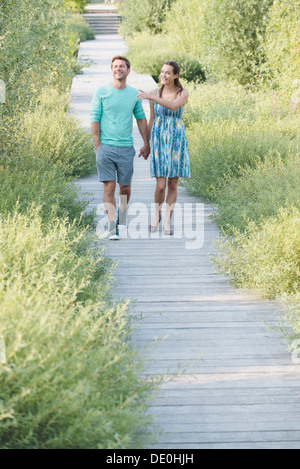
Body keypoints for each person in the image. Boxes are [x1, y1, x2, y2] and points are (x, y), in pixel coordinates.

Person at [91, 56, 150, 240]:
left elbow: (141, 119)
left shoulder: (134, 94)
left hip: (126, 148)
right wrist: (98, 145)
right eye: (115, 66)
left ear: (128, 70)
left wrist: (146, 143)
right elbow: (94, 119)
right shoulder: (101, 92)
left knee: (125, 187)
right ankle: (111, 226)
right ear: (111, 70)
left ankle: (121, 217)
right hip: (106, 147)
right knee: (109, 187)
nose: (119, 69)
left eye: (122, 66)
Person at [137, 61, 190, 236]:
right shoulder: (155, 93)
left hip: (176, 139)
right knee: (160, 185)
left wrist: (152, 98)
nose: (164, 76)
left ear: (176, 75)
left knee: (173, 184)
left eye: (168, 73)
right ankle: (157, 214)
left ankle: (168, 219)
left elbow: (174, 106)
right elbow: (151, 119)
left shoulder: (183, 93)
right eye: (162, 72)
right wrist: (147, 143)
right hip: (159, 138)